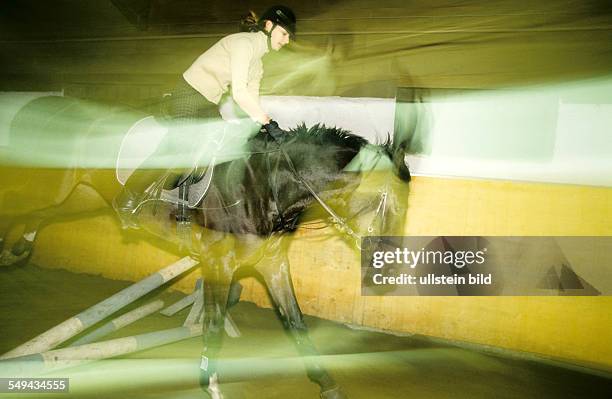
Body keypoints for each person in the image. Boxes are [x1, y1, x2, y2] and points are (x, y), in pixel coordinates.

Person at [113, 5, 296, 232]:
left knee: (224, 145)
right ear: (269, 26)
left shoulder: (258, 65)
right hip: (188, 93)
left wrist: (262, 125)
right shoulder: (243, 44)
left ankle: (190, 204)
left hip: (209, 103)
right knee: (180, 146)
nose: (287, 40)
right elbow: (239, 92)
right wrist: (268, 122)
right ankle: (128, 196)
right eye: (285, 34)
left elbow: (251, 100)